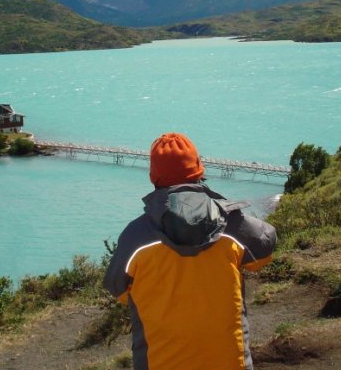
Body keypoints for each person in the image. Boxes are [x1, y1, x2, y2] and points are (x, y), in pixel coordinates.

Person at [102, 132, 277, 370]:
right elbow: (265, 247)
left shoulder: (136, 236)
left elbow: (118, 289)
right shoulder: (230, 224)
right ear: (198, 170)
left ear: (154, 176)